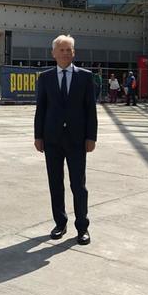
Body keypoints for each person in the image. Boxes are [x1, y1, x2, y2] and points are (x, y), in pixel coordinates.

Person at [34, 34, 97, 246]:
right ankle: (60, 223)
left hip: (78, 140)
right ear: (53, 53)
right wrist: (38, 136)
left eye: (68, 50)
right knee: (55, 183)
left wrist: (91, 137)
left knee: (78, 185)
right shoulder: (45, 78)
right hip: (51, 139)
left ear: (74, 53)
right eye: (61, 50)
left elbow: (91, 110)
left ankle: (83, 227)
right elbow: (41, 109)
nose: (65, 53)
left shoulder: (86, 77)